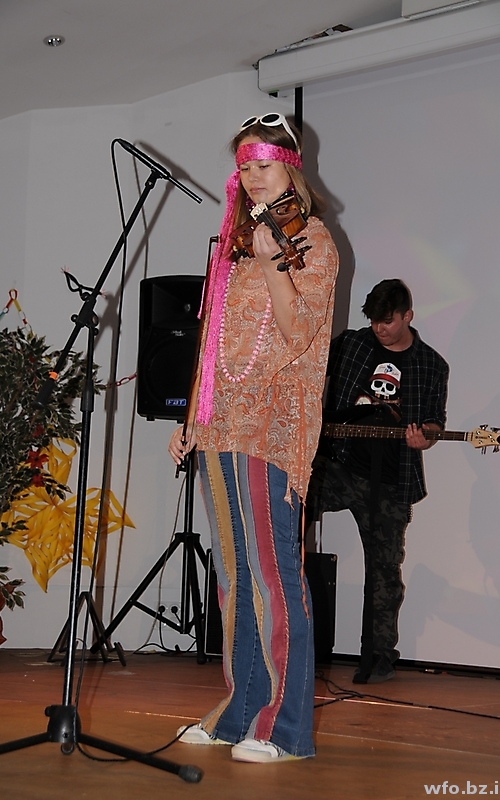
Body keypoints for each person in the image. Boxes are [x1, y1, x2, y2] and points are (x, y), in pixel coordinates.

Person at [169, 113, 338, 762]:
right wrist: (192, 416)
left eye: (262, 164)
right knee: (234, 576)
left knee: (273, 575)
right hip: (220, 422)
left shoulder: (313, 240)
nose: (251, 176)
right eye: (243, 166)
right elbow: (213, 338)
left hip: (271, 424)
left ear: (290, 167)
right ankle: (237, 714)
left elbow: (299, 333)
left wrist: (272, 264)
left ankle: (285, 728)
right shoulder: (234, 244)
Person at [306, 279, 449, 684]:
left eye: (387, 321)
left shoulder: (431, 364)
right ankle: (283, 634)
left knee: (384, 570)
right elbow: (310, 375)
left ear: (407, 316)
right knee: (285, 517)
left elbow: (435, 422)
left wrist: (426, 436)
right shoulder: (351, 344)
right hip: (336, 464)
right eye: (373, 321)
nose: (379, 329)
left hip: (390, 481)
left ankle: (379, 657)